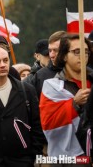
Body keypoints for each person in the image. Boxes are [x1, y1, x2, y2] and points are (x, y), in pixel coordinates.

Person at [39, 33, 93, 162]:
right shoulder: (52, 87)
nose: (82, 56)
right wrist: (74, 104)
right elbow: (48, 123)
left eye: (86, 51)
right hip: (70, 159)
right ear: (63, 56)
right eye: (76, 51)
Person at [25, 31, 66, 98]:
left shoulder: (75, 71)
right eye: (47, 53)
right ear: (37, 56)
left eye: (55, 50)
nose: (51, 56)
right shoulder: (36, 77)